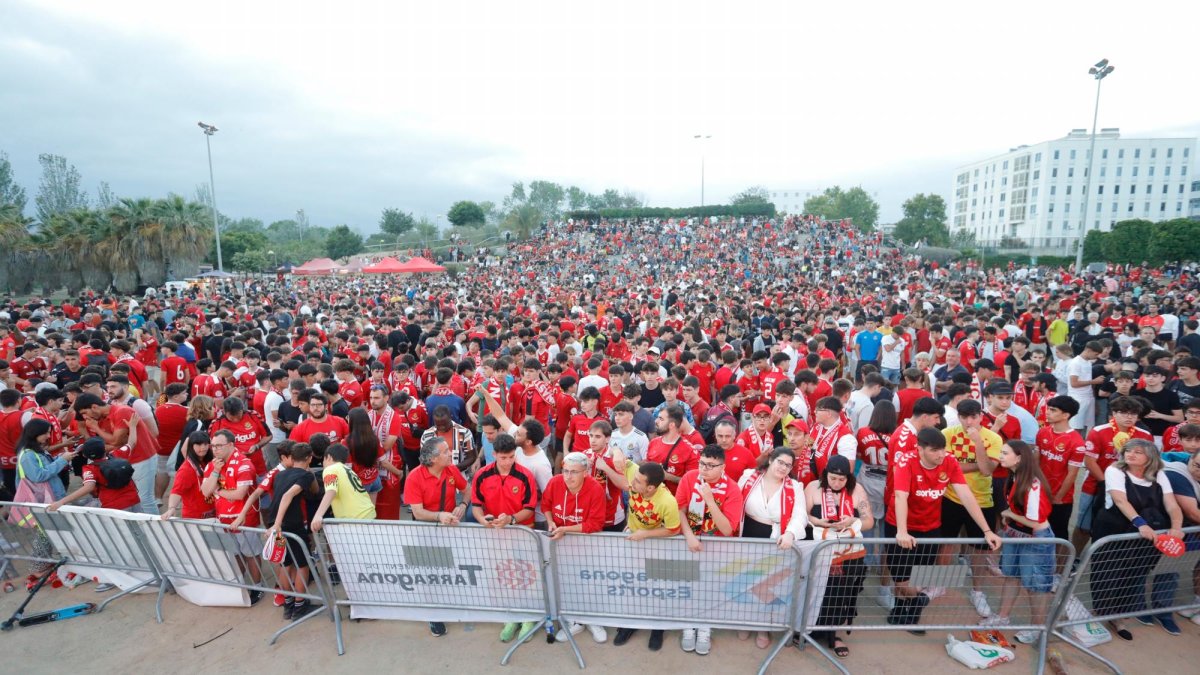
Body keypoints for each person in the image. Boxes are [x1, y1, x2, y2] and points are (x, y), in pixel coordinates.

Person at [887, 428, 1001, 633]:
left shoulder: (949, 461)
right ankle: (918, 601)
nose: (941, 454)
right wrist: (902, 531)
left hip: (931, 526)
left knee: (919, 577)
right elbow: (901, 496)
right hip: (901, 525)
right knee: (902, 580)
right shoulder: (906, 461)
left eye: (943, 449)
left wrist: (987, 530)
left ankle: (907, 613)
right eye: (934, 450)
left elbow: (966, 495)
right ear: (920, 449)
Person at [1088, 439, 1184, 640]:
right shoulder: (1115, 470)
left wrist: (1176, 527)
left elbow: (1172, 504)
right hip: (1114, 528)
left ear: (1150, 457)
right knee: (1106, 573)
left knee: (1134, 574)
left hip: (1145, 536)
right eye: (1128, 451)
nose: (1130, 454)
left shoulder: (1159, 474)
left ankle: (1118, 616)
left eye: (1138, 452)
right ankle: (1101, 612)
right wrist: (1140, 523)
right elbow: (1120, 500)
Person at [983, 440, 1057, 644]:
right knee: (1011, 576)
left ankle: (1037, 627)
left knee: (1036, 586)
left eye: (1005, 453)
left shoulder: (1033, 483)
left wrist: (1008, 514)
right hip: (1015, 534)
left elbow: (1036, 521)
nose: (1000, 456)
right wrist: (1010, 517)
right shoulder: (1014, 476)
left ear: (1019, 458)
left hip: (1035, 540)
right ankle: (1003, 617)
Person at [675, 444, 745, 655]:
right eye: (702, 463)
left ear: (723, 467)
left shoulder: (732, 489)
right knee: (688, 585)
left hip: (717, 547)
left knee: (709, 588)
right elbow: (679, 509)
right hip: (690, 542)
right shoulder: (689, 478)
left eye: (710, 466)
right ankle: (689, 626)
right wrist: (689, 536)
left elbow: (727, 529)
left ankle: (705, 627)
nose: (704, 469)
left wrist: (709, 500)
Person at [471, 433, 538, 641]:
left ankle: (528, 619)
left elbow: (529, 508)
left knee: (526, 576)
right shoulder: (481, 475)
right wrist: (483, 520)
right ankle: (511, 617)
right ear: (494, 455)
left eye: (511, 457)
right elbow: (476, 506)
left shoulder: (526, 476)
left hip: (522, 534)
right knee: (504, 576)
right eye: (503, 458)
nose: (508, 461)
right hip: (496, 535)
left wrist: (511, 519)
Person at [805, 455, 873, 659]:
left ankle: (833, 634)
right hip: (819, 548)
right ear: (825, 474)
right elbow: (802, 515)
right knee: (814, 589)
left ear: (848, 478)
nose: (836, 483)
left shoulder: (857, 490)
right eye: (832, 478)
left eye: (841, 480)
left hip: (847, 553)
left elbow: (869, 521)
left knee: (840, 593)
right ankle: (808, 629)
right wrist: (817, 521)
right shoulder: (813, 487)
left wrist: (853, 521)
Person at [738, 446, 807, 648]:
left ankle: (763, 626)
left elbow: (800, 514)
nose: (783, 467)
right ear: (770, 460)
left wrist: (790, 533)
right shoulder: (749, 477)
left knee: (765, 585)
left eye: (788, 465)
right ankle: (744, 620)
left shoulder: (794, 487)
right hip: (747, 533)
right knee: (744, 581)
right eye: (780, 462)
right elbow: (733, 500)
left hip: (774, 538)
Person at [940, 398, 1002, 618]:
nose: (969, 422)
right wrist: (975, 465)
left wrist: (977, 443)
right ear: (958, 417)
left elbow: (986, 471)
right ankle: (937, 584)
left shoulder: (993, 438)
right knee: (944, 544)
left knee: (979, 551)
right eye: (964, 417)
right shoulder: (948, 434)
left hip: (982, 500)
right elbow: (947, 467)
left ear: (980, 417)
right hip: (951, 497)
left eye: (973, 417)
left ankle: (977, 592)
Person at [612, 461, 681, 651]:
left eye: (637, 482)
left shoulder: (667, 501)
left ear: (650, 488)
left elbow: (674, 529)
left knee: (657, 588)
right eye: (634, 479)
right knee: (632, 584)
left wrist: (645, 534)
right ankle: (631, 624)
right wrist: (616, 453)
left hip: (656, 546)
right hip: (633, 541)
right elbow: (622, 460)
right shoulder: (637, 473)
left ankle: (657, 629)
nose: (632, 483)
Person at [1074, 396, 1153, 555]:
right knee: (1084, 527)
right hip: (1095, 486)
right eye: (1124, 413)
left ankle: (1104, 559)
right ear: (1114, 413)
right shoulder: (1099, 431)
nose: (1129, 417)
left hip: (1129, 490)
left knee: (1113, 527)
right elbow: (1089, 461)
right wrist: (1105, 482)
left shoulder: (1145, 436)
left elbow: (1149, 463)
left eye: (1133, 414)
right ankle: (1073, 559)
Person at [544, 451, 608, 643]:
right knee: (567, 583)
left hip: (586, 545)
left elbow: (595, 523)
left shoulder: (595, 489)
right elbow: (545, 505)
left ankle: (594, 620)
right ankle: (575, 622)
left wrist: (566, 529)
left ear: (585, 473)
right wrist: (550, 522)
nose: (568, 476)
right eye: (565, 471)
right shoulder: (555, 482)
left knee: (591, 582)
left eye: (574, 472)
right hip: (560, 544)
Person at [201, 429, 265, 605]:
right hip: (224, 518)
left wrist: (218, 491)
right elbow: (205, 491)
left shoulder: (244, 464)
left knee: (251, 554)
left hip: (245, 519)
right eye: (213, 446)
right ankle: (240, 584)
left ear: (230, 445)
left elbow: (239, 494)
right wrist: (215, 472)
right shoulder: (213, 465)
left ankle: (258, 587)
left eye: (219, 446)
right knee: (235, 554)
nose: (215, 449)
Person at [265, 442, 323, 620]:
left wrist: (275, 524)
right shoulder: (304, 475)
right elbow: (289, 495)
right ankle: (300, 605)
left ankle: (288, 604)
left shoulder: (281, 474)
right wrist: (278, 524)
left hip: (276, 522)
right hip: (291, 525)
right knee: (303, 565)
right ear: (309, 458)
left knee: (285, 563)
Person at [48, 415, 142, 514]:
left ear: (85, 455)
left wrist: (61, 502)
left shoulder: (89, 468)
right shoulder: (117, 454)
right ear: (104, 449)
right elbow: (132, 443)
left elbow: (89, 487)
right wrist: (132, 427)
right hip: (133, 499)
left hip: (112, 506)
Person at [162, 431, 214, 519]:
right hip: (195, 518)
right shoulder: (186, 469)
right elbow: (177, 491)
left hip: (213, 513)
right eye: (198, 444)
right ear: (191, 446)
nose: (203, 447)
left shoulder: (210, 461)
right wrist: (172, 508)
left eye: (205, 444)